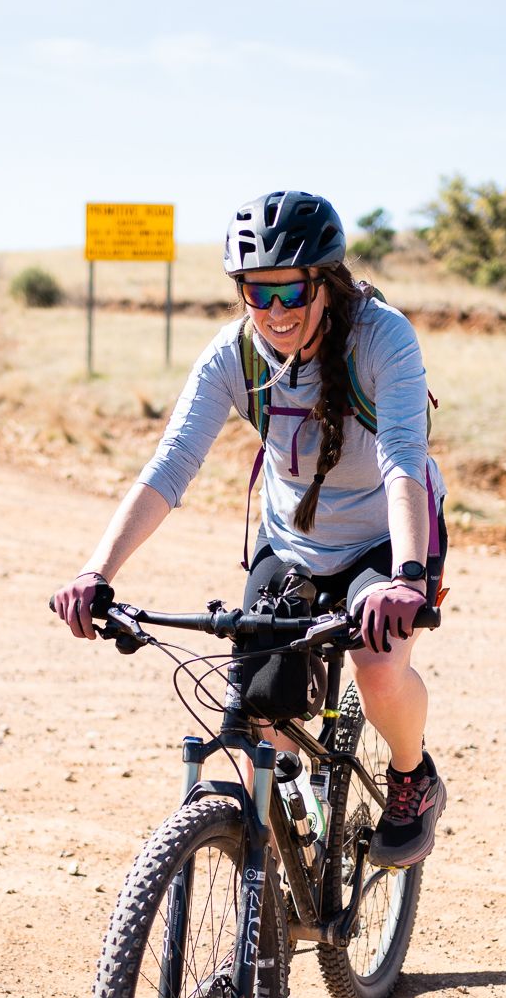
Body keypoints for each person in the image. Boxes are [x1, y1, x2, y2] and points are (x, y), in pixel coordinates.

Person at [53, 190, 447, 867]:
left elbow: (403, 459)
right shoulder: (234, 354)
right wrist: (97, 572)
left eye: (290, 291)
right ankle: (285, 857)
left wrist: (407, 579)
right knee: (261, 703)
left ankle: (413, 777)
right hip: (291, 540)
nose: (274, 311)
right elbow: (171, 464)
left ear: (325, 282)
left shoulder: (380, 337)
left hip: (385, 537)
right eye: (256, 293)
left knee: (379, 668)